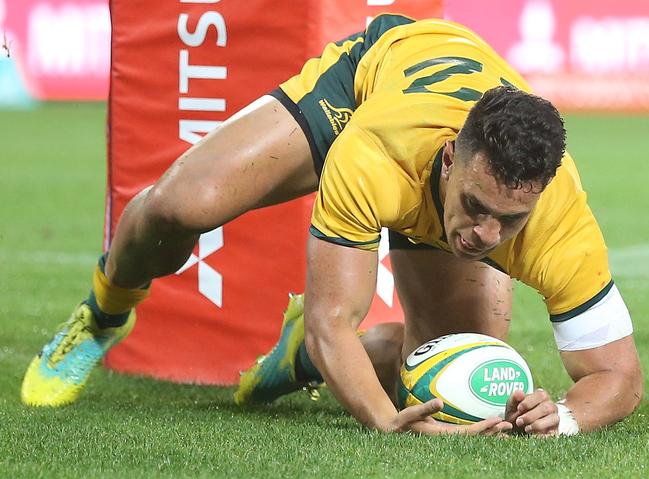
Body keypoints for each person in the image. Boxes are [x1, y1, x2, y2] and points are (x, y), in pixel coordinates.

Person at [22, 14, 642, 436]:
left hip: (442, 139)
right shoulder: (373, 151)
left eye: (508, 221)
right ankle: (102, 314)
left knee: (445, 371)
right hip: (371, 79)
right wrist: (383, 422)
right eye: (475, 208)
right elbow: (333, 320)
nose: (482, 236)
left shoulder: (561, 223)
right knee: (181, 206)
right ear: (451, 160)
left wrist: (558, 417)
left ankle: (297, 361)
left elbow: (619, 376)